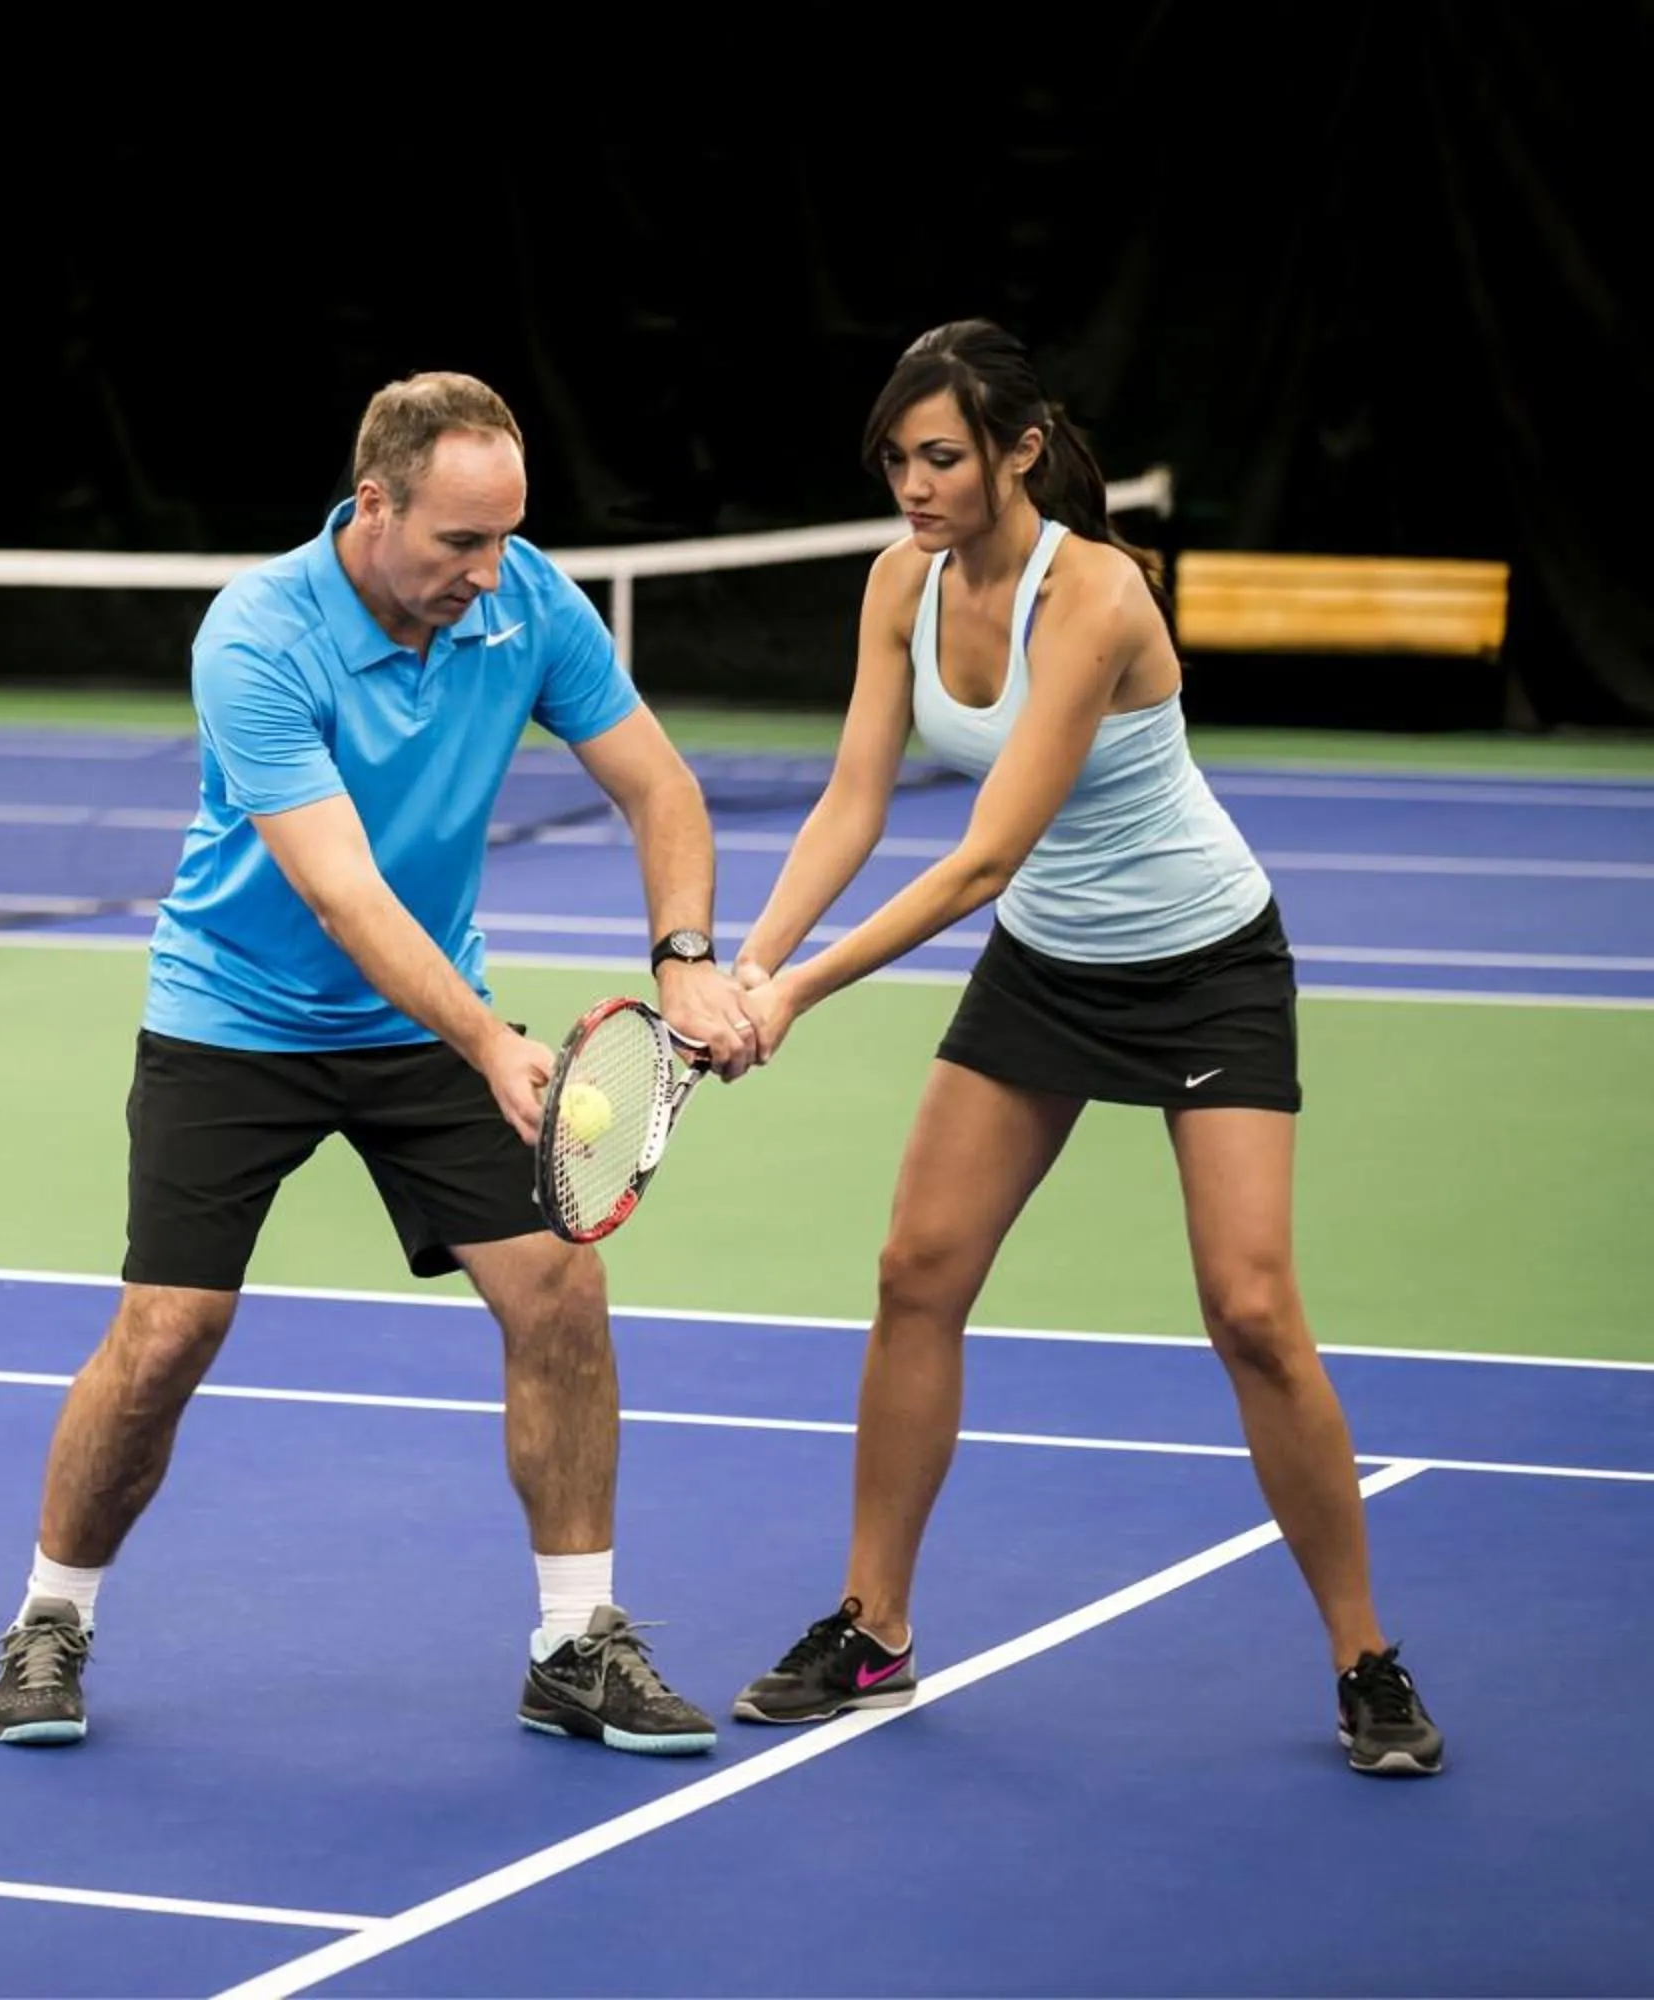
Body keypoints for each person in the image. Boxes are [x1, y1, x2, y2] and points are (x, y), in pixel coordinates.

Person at [0, 370, 760, 1755]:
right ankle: (52, 1617)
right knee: (169, 1333)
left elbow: (661, 784)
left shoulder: (527, 601)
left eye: (507, 536)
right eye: (459, 541)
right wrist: (488, 1042)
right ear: (374, 505)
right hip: (238, 1019)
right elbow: (341, 892)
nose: (487, 570)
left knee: (560, 1293)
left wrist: (686, 955)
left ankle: (576, 1641)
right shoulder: (261, 635)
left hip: (424, 1025)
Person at [719, 319, 1446, 1777]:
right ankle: (874, 1628)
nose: (912, 486)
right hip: (1052, 970)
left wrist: (798, 997)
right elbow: (856, 799)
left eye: (939, 458)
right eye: (895, 460)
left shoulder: (1098, 597)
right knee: (915, 1273)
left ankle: (1367, 1659)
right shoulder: (897, 585)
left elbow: (981, 859)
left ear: (1019, 452)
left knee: (1249, 1309)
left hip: (1205, 968)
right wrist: (751, 956)